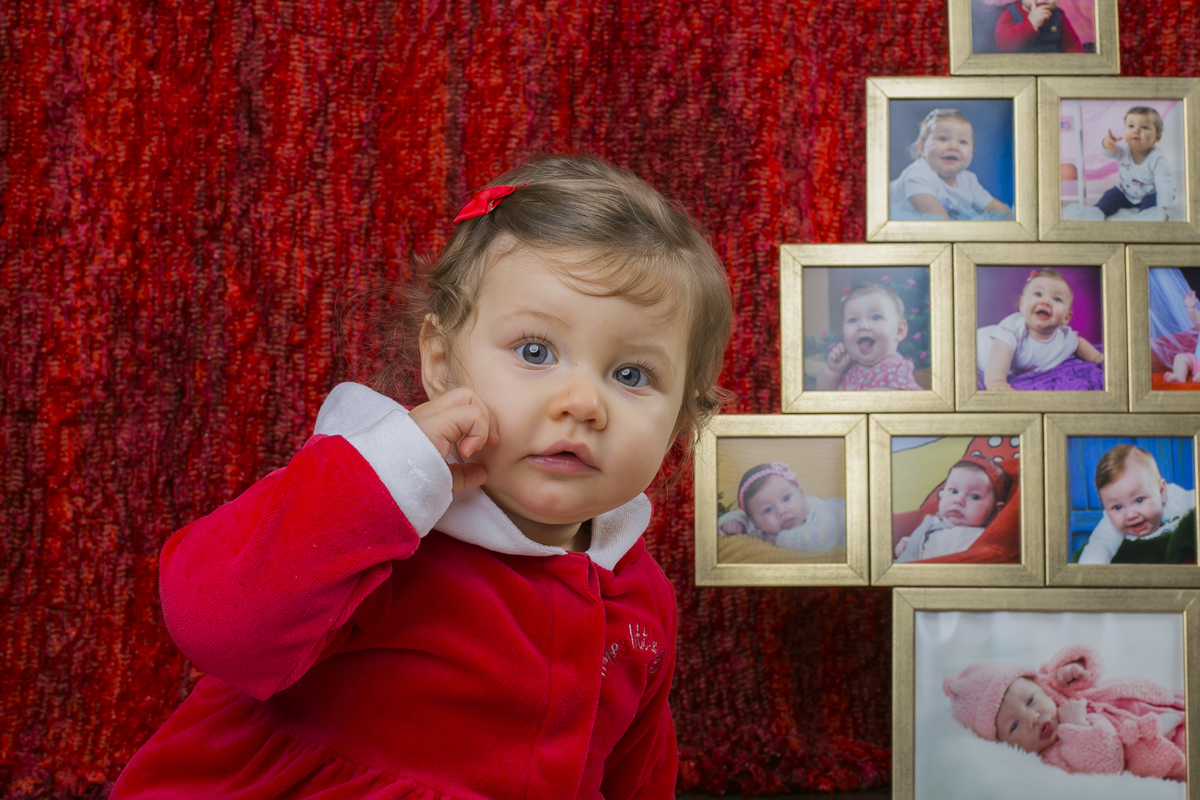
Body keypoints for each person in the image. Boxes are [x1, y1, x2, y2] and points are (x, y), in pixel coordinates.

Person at [110, 155, 734, 799]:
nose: (582, 403)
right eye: (535, 352)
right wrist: (389, 472)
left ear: (682, 419)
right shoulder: (364, 514)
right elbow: (219, 630)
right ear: (440, 363)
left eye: (631, 375)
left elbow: (638, 771)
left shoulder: (639, 592)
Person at [944, 644, 1186, 781]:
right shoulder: (1055, 756)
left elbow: (1091, 661)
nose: (1032, 718)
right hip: (1168, 742)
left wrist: (1073, 668)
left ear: (1038, 684)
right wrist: (1077, 726)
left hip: (1165, 700)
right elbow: (1105, 766)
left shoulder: (1055, 685)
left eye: (1030, 700)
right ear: (1003, 743)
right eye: (1014, 726)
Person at [976, 268, 1104, 391]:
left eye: (1057, 299)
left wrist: (1097, 357)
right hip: (978, 346)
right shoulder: (1012, 329)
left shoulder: (1064, 338)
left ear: (1066, 317)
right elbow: (1000, 355)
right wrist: (996, 381)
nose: (1046, 301)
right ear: (1022, 304)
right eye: (1038, 294)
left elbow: (1078, 343)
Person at [1076, 444, 1196, 565]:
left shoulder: (1175, 498)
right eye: (1117, 507)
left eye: (1139, 500)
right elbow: (1100, 545)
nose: (1131, 515)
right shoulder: (1111, 524)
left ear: (1161, 492)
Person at [889, 108, 1014, 221]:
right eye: (943, 139)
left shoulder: (968, 181)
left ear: (972, 152)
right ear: (922, 147)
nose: (954, 147)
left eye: (963, 142)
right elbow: (935, 217)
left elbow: (996, 209)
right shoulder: (918, 174)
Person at [894, 458, 1010, 562]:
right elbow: (924, 539)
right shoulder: (934, 520)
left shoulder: (976, 536)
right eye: (954, 491)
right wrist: (907, 543)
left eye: (974, 496)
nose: (958, 500)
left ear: (995, 512)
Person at [718, 462, 846, 554]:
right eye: (768, 509)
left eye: (786, 498)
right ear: (754, 521)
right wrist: (735, 522)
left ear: (800, 492)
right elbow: (741, 515)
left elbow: (823, 541)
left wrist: (780, 539)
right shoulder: (756, 522)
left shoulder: (820, 511)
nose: (782, 511)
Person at [816, 283, 922, 391]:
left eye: (876, 317)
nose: (862, 325)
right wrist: (832, 372)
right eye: (853, 320)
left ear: (899, 331)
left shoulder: (897, 369)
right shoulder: (848, 367)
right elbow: (824, 395)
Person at [1095, 107, 1174, 222]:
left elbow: (1164, 187)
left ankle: (1146, 218)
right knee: (1110, 196)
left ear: (1157, 137)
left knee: (1152, 205)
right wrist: (1106, 144)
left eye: (1144, 127)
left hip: (1149, 195)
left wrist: (1165, 211)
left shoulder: (1158, 160)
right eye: (1131, 126)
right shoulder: (1122, 148)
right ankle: (1096, 212)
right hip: (1125, 193)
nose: (1135, 131)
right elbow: (1108, 153)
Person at [994, 0, 1083, 54]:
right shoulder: (1010, 14)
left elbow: (1071, 44)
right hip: (1020, 69)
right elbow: (1003, 45)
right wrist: (1030, 24)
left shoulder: (1058, 16)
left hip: (1052, 66)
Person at [1163, 290, 1200, 383]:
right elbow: (1197, 320)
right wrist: (1191, 308)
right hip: (1196, 361)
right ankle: (1179, 375)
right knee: (1180, 358)